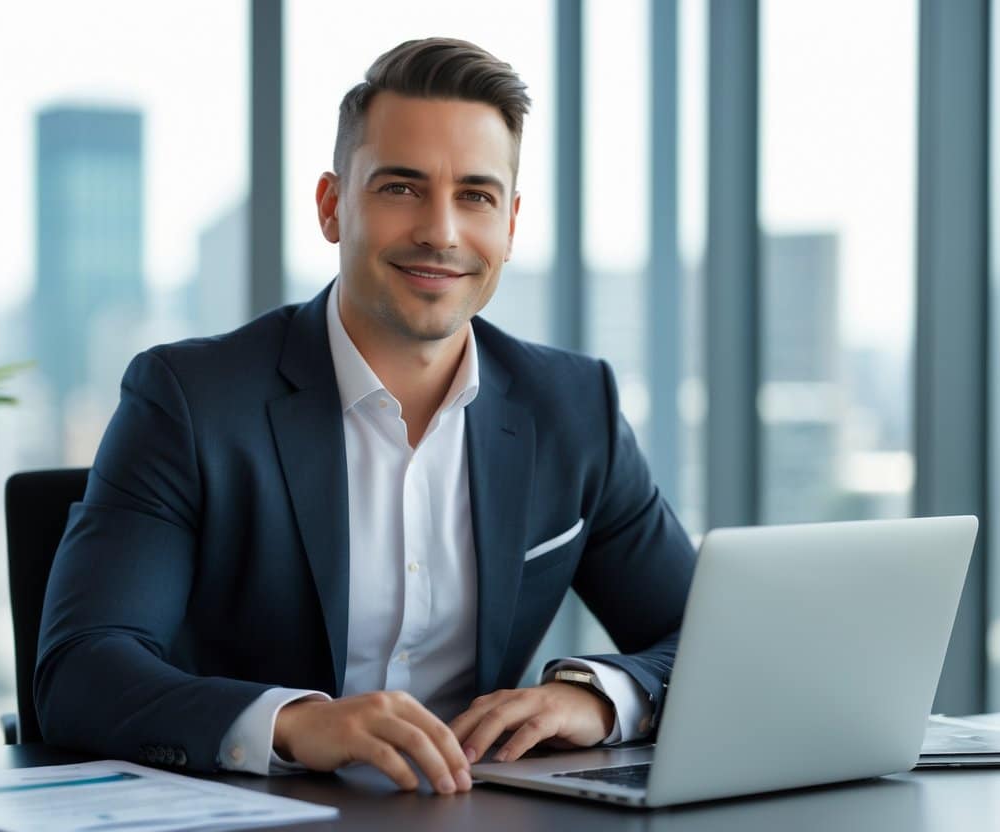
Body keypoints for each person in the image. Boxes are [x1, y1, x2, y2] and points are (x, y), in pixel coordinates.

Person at [35, 37, 695, 796]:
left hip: (478, 808)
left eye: (475, 196)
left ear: (510, 224)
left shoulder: (575, 408)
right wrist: (293, 723)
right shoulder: (188, 400)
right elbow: (82, 669)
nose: (441, 232)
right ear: (332, 206)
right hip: (256, 807)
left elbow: (704, 638)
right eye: (401, 188)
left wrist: (599, 699)